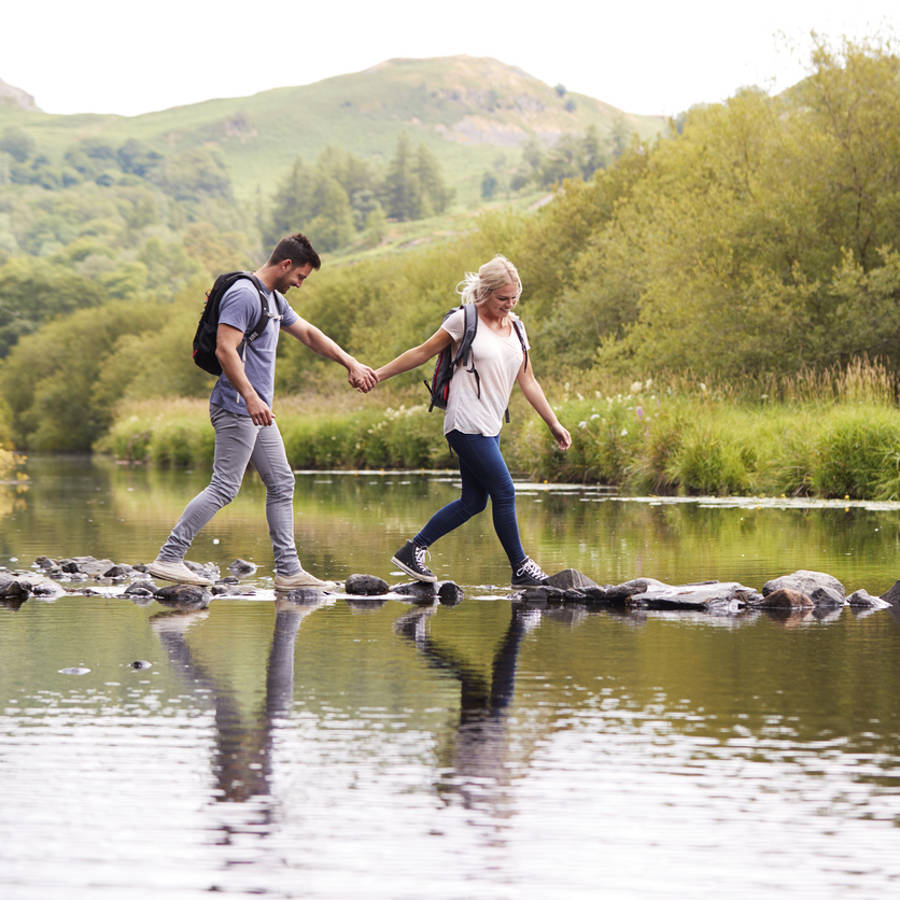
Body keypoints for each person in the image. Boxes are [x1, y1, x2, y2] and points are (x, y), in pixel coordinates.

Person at [149, 232, 376, 590]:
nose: (299, 284)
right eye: (300, 276)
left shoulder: (272, 299)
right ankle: (169, 558)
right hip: (239, 406)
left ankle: (288, 571)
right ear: (286, 264)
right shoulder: (244, 295)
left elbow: (310, 334)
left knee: (282, 482)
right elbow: (225, 350)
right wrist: (252, 397)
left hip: (257, 411)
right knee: (224, 487)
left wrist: (350, 362)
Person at [374, 255, 571, 587]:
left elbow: (529, 381)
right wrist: (378, 375)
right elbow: (421, 352)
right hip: (464, 423)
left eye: (513, 298)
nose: (508, 305)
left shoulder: (517, 329)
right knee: (505, 491)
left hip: (491, 426)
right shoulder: (464, 321)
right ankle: (521, 567)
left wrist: (554, 423)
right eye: (502, 299)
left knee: (474, 501)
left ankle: (413, 550)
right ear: (485, 293)